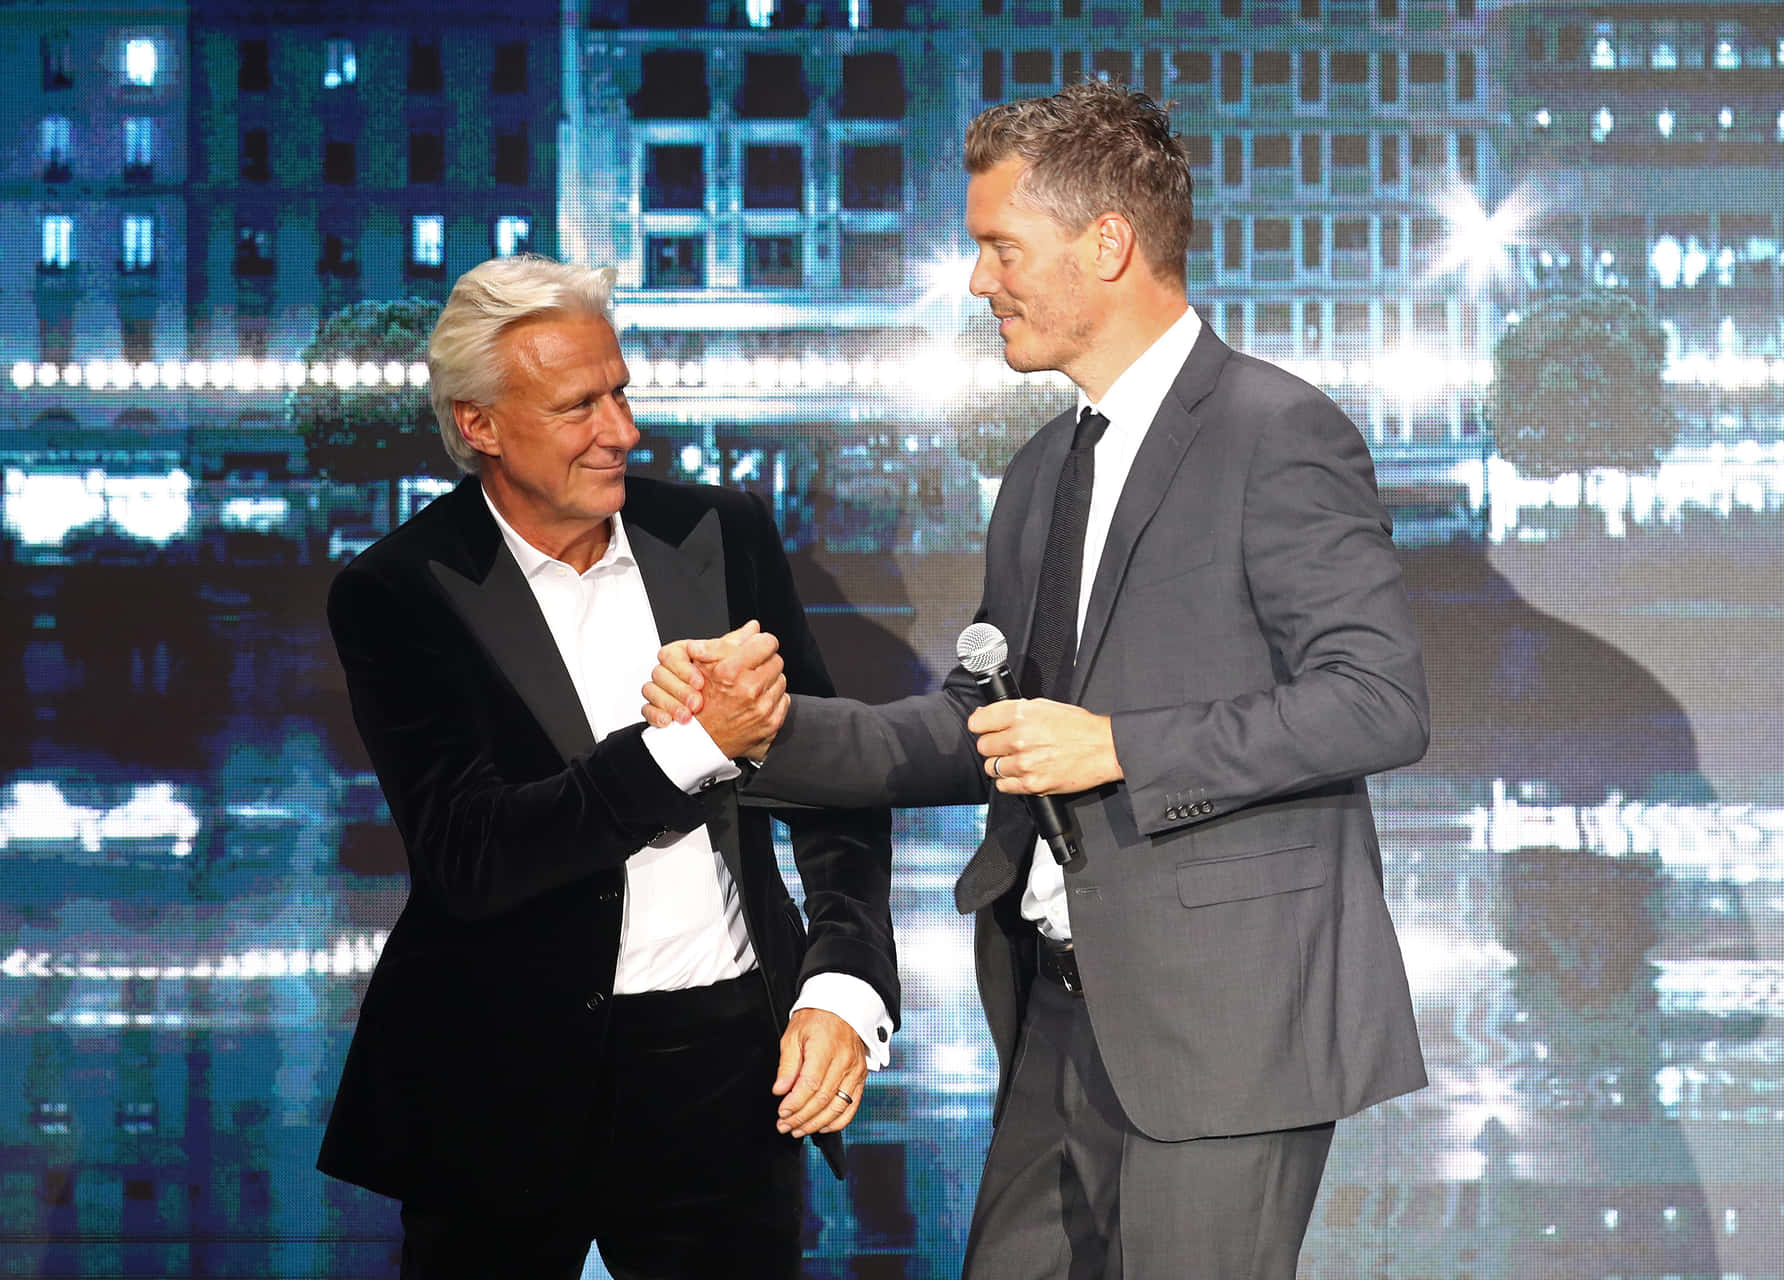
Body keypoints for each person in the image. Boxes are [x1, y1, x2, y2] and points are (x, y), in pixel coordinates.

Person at [643, 81, 1429, 1278]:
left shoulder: (1280, 431)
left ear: (1107, 243)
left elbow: (1378, 697)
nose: (976, 280)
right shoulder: (1040, 467)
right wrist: (764, 732)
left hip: (1229, 1029)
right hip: (1058, 1012)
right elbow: (980, 725)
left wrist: (1120, 744)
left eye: (1000, 246)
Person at [317, 255, 899, 1279]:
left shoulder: (724, 534)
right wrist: (690, 744)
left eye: (621, 390)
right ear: (481, 424)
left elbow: (833, 780)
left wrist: (843, 980)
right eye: (578, 405)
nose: (622, 430)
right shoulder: (398, 589)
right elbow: (471, 854)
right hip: (496, 1082)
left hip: (723, 1067)